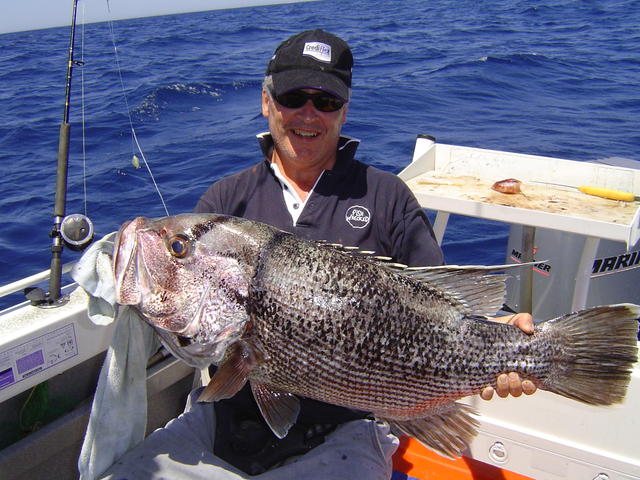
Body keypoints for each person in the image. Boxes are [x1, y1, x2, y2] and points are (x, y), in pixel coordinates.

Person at [100, 29, 536, 480]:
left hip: (350, 428)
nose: (308, 114)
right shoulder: (226, 199)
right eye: (293, 97)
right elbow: (199, 328)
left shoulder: (387, 197)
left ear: (344, 111)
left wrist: (507, 337)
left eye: (325, 102)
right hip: (224, 422)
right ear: (267, 101)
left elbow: (446, 310)